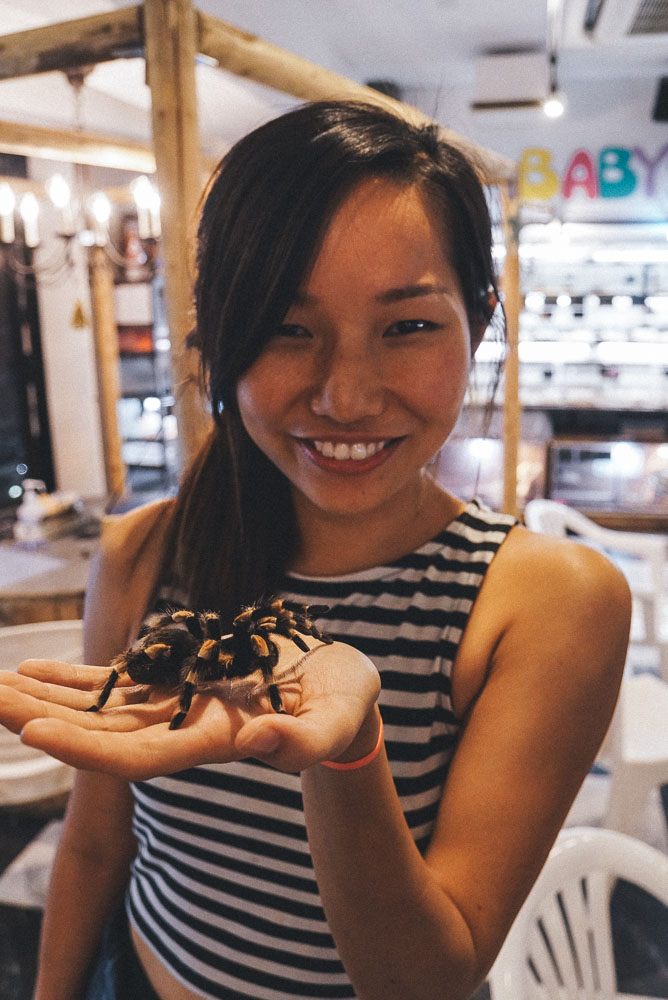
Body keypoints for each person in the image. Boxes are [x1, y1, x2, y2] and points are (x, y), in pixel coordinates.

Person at [0, 101, 631, 1000]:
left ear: (480, 322)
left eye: (407, 326)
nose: (344, 396)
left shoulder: (544, 602)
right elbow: (100, 837)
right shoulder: (143, 553)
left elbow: (427, 977)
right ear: (220, 338)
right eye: (288, 328)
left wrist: (346, 751)